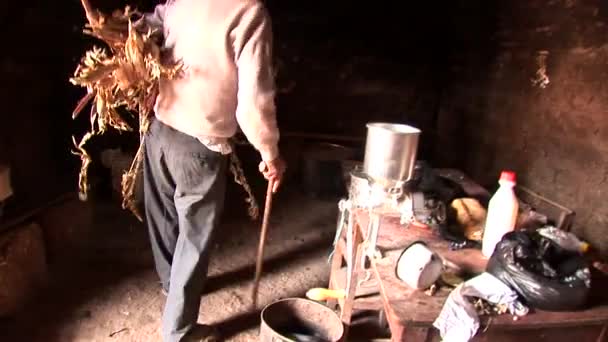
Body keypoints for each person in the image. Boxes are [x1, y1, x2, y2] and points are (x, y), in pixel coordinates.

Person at [142, 0, 286, 340]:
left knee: (164, 216)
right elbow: (254, 102)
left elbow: (150, 23)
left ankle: (171, 283)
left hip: (159, 132)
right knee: (194, 235)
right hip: (198, 144)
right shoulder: (249, 12)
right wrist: (270, 153)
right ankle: (179, 330)